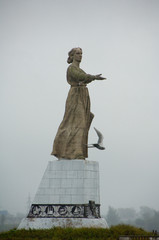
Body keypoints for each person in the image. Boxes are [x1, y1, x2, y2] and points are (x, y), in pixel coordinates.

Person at [51, 47, 105, 160]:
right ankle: (74, 151)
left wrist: (92, 78)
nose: (80, 55)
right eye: (78, 53)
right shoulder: (71, 68)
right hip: (75, 95)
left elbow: (84, 78)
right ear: (72, 56)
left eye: (81, 53)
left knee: (83, 123)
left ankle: (77, 150)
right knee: (76, 122)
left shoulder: (80, 69)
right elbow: (81, 77)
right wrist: (93, 77)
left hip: (83, 95)